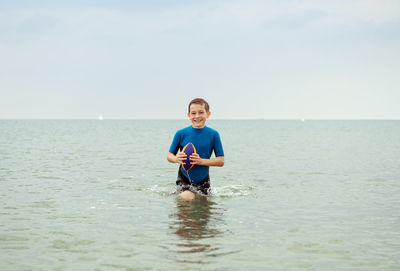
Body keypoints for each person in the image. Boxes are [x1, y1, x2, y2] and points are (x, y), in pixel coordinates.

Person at [167, 98, 224, 201]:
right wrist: (176, 159)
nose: (197, 116)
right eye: (193, 113)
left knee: (203, 211)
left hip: (204, 179)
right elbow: (169, 156)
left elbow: (221, 161)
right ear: (189, 115)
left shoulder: (213, 134)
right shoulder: (181, 134)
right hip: (184, 177)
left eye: (201, 112)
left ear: (208, 114)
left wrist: (201, 161)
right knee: (187, 198)